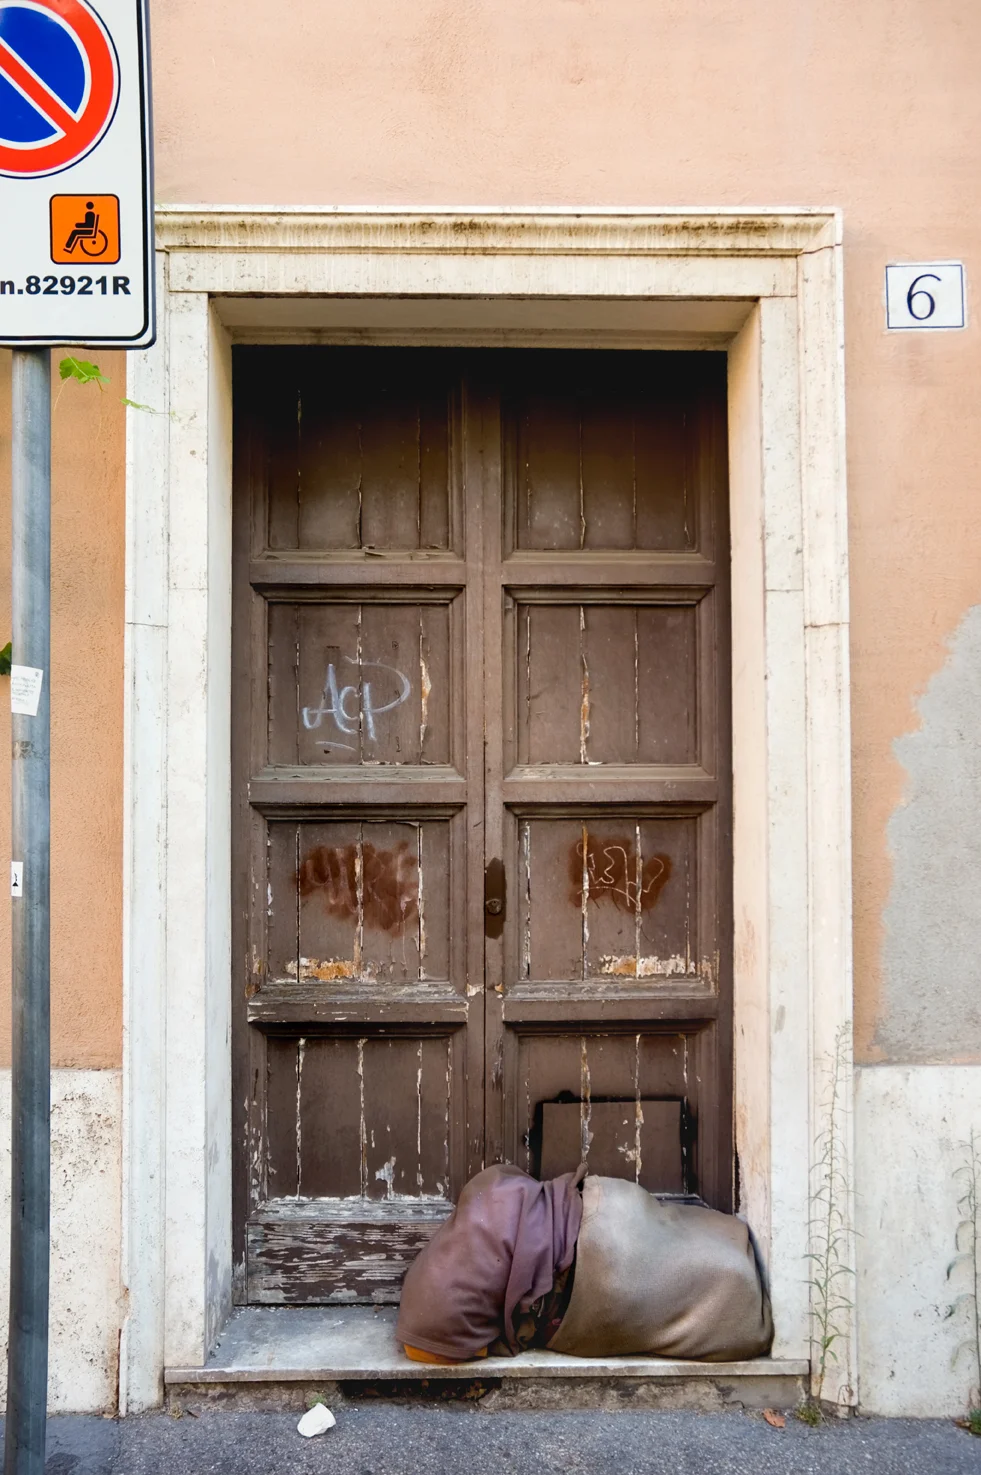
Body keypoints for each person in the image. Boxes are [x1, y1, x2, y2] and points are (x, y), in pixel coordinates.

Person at [397, 1164, 773, 1364]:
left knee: (702, 1279)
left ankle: (726, 1282)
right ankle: (726, 1272)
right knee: (704, 1272)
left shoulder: (435, 1315)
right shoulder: (487, 1192)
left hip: (601, 1246)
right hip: (596, 1232)